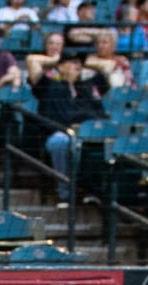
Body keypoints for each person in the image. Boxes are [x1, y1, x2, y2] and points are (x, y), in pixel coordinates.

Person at [34, 52, 107, 208]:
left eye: (79, 63)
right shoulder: (49, 85)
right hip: (59, 133)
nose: (77, 65)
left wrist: (85, 63)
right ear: (60, 66)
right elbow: (32, 61)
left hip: (87, 135)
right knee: (61, 142)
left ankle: (92, 192)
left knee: (97, 143)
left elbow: (108, 66)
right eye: (72, 62)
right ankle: (65, 194)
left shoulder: (86, 87)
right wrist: (57, 62)